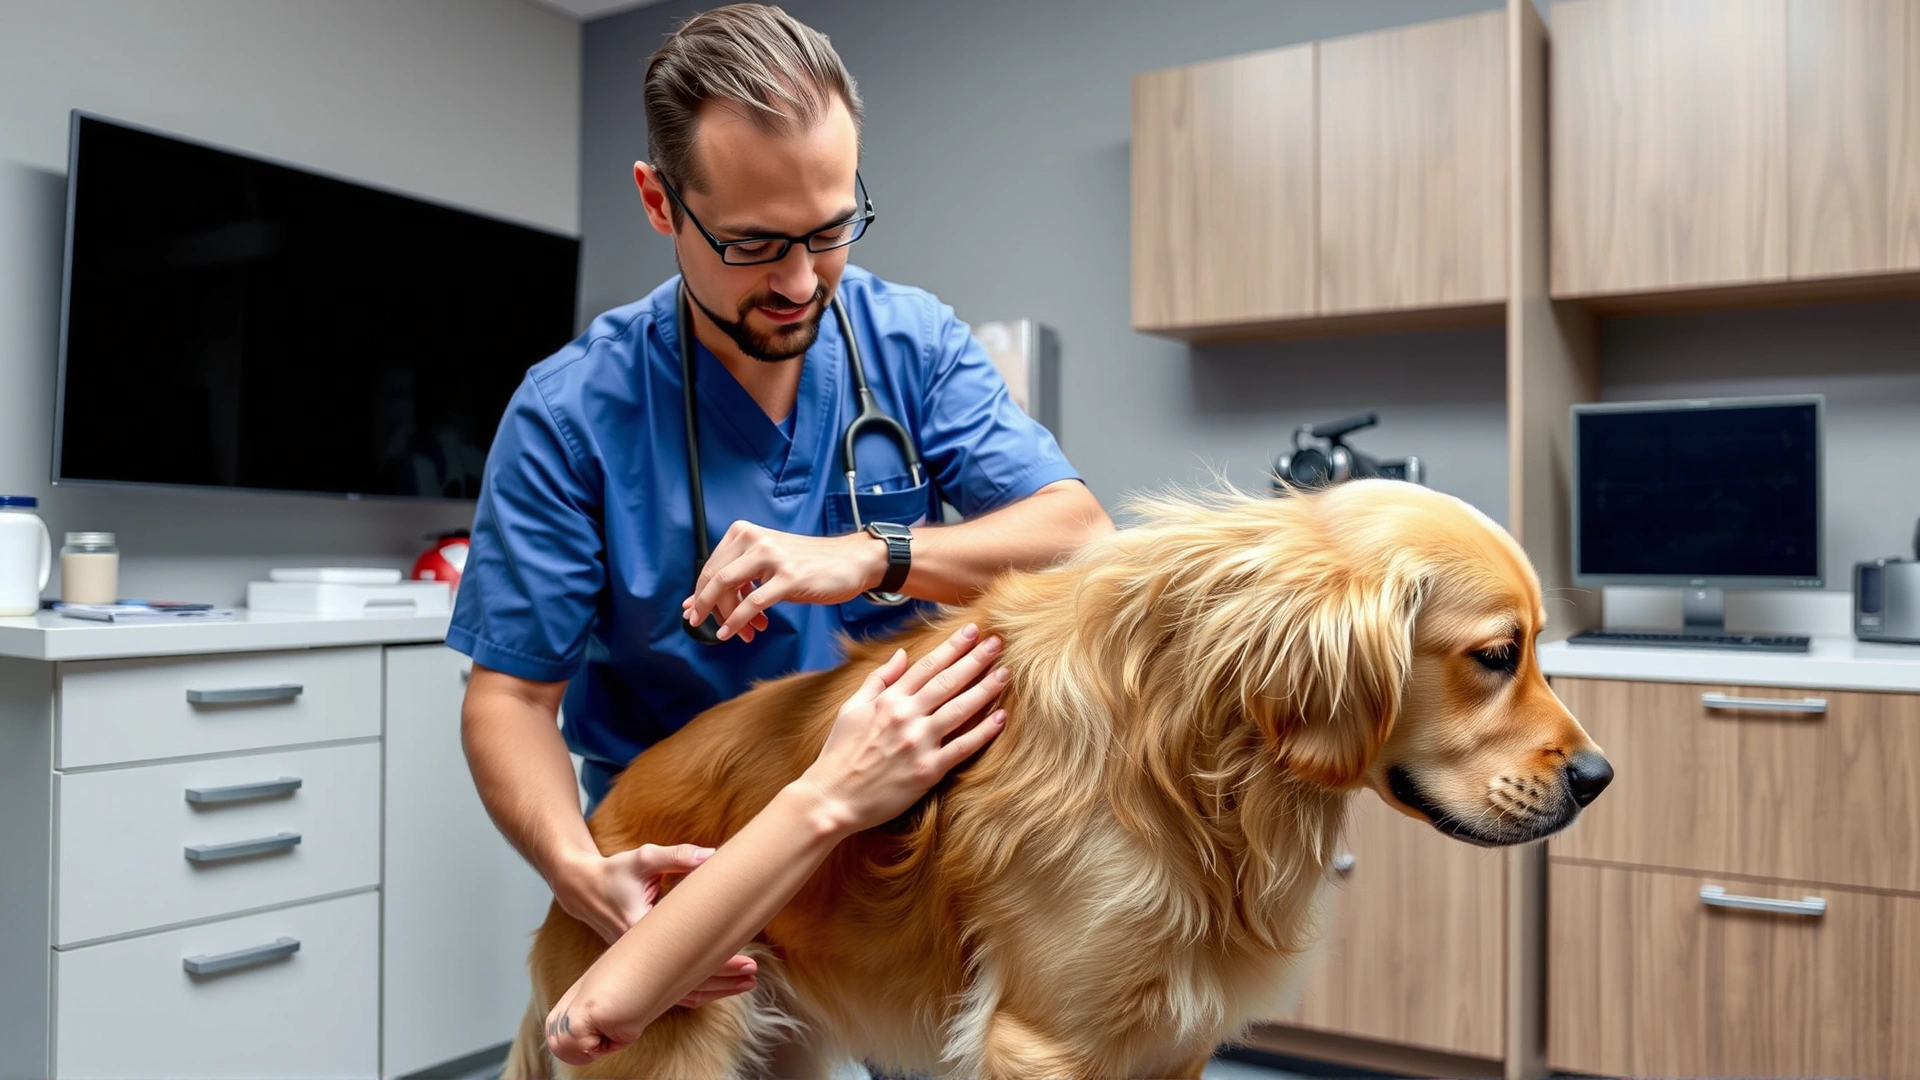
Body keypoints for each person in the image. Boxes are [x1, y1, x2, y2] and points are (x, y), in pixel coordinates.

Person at [451, 2, 1111, 1016]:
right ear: (661, 204)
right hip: (691, 854)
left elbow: (1081, 541)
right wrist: (578, 873)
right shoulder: (572, 413)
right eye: (756, 244)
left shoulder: (910, 344)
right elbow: (510, 699)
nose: (802, 283)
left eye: (831, 230)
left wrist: (868, 554)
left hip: (908, 836)